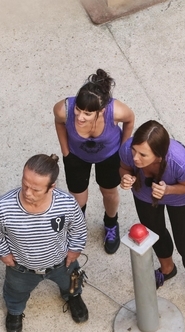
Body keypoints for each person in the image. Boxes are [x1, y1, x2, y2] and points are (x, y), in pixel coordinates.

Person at [119, 120, 185, 324]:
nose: (135, 157)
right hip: (144, 195)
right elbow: (124, 167)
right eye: (135, 151)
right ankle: (167, 269)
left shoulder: (180, 162)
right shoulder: (128, 150)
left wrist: (168, 190)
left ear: (159, 156)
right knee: (155, 233)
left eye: (143, 155)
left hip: (178, 198)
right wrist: (126, 178)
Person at [0, 154, 88, 332]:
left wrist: (75, 249)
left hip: (61, 262)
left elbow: (78, 228)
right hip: (21, 268)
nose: (27, 192)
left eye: (35, 189)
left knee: (71, 283)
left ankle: (73, 296)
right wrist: (3, 254)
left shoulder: (66, 203)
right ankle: (15, 311)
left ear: (52, 187)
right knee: (15, 291)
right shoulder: (2, 208)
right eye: (25, 184)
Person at [53, 69, 135, 255]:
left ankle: (111, 223)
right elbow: (58, 122)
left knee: (109, 192)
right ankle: (77, 228)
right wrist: (65, 151)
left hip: (109, 155)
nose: (80, 117)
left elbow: (130, 120)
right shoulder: (63, 109)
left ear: (102, 110)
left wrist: (124, 149)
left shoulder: (116, 111)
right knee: (78, 198)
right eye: (78, 110)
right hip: (76, 156)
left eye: (88, 114)